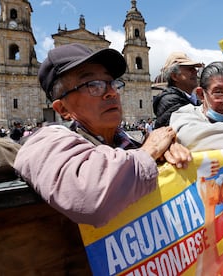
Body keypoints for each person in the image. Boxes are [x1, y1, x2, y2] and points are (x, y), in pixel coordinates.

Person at [13, 43, 192, 227]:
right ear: (63, 109)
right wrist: (148, 151)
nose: (111, 93)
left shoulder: (126, 141)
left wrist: (165, 152)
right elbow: (88, 195)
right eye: (93, 85)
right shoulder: (45, 142)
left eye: (112, 83)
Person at [152, 52, 203, 128]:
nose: (196, 71)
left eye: (195, 69)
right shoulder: (170, 101)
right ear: (175, 76)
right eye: (190, 69)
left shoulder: (193, 99)